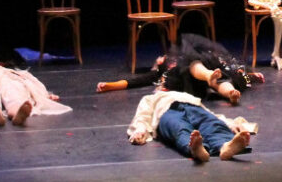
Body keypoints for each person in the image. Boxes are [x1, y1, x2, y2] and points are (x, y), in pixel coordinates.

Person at [97, 33, 265, 105]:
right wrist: (111, 85)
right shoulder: (162, 71)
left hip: (207, 73)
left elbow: (234, 69)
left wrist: (250, 76)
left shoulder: (180, 56)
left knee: (224, 77)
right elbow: (136, 81)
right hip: (191, 80)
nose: (160, 58)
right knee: (194, 65)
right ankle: (213, 80)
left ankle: (229, 94)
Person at [127, 89, 256, 163]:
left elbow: (211, 115)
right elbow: (142, 114)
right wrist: (140, 129)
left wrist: (229, 123)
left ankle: (225, 146)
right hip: (167, 112)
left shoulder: (187, 95)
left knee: (212, 123)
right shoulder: (151, 98)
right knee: (180, 128)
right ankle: (197, 150)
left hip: (193, 107)